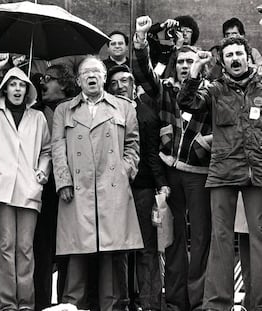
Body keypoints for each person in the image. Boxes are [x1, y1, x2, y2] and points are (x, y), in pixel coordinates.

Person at [133, 16, 212, 311]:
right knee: (174, 237)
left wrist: (205, 142)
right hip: (170, 171)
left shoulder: (210, 90)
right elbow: (142, 73)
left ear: (200, 64)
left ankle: (200, 299)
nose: (183, 66)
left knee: (201, 236)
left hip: (199, 173)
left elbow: (226, 126)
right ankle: (177, 299)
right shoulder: (164, 88)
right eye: (180, 61)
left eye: (190, 61)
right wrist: (141, 39)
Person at [178, 35, 262, 311]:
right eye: (229, 55)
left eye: (239, 54)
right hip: (224, 171)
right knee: (221, 237)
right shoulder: (214, 89)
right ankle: (216, 304)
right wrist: (195, 71)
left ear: (249, 58)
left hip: (258, 170)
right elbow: (187, 102)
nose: (235, 58)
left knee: (260, 236)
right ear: (223, 62)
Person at [51, 55, 142, 311]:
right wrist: (63, 181)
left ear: (104, 77)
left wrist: (125, 171)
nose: (92, 76)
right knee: (77, 257)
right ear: (78, 81)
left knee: (111, 258)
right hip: (77, 190)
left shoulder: (124, 108)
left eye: (97, 72)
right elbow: (57, 147)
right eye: (86, 73)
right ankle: (72, 307)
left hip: (112, 188)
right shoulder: (63, 110)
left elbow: (133, 144)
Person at [0, 53, 51, 311]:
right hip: (3, 188)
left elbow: (47, 150)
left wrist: (42, 172)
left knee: (25, 249)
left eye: (22, 85)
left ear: (28, 90)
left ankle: (26, 305)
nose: (17, 89)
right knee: (5, 247)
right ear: (5, 88)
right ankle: (7, 305)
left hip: (29, 188)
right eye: (13, 84)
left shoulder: (38, 117)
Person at [106, 64, 169, 311]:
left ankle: (151, 303)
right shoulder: (104, 112)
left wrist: (161, 183)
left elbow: (152, 152)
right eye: (114, 83)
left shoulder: (146, 111)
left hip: (142, 188)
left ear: (134, 85)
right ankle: (121, 302)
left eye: (125, 81)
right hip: (113, 188)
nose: (120, 86)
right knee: (118, 250)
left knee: (147, 249)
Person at [33, 64, 77, 310]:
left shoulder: (73, 108)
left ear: (63, 83)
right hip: (41, 187)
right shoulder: (35, 109)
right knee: (41, 246)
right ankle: (40, 302)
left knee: (67, 248)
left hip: (69, 187)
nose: (42, 83)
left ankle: (65, 300)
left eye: (48, 79)